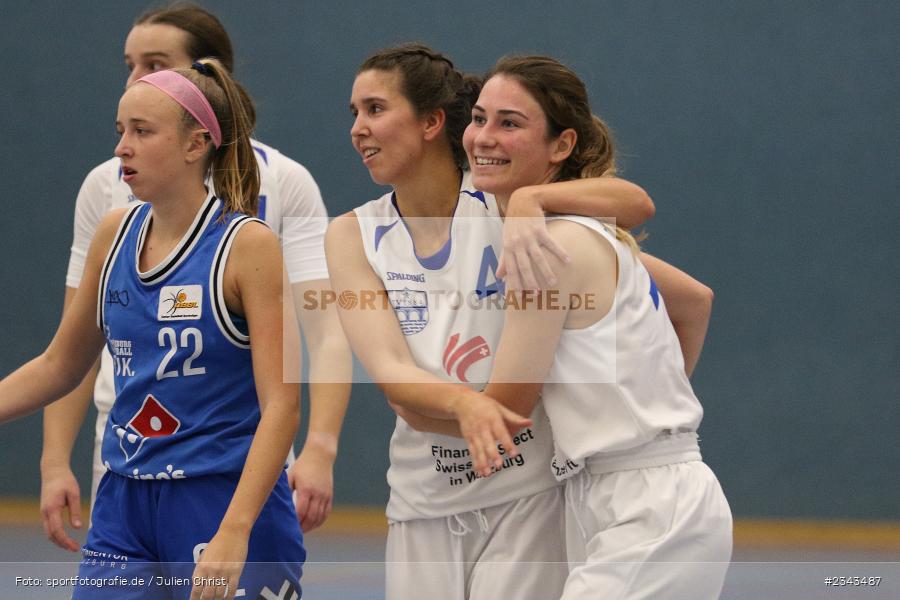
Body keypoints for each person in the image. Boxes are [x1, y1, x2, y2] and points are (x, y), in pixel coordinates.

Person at [327, 43, 714, 600]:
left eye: (375, 109)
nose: (359, 128)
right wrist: (466, 404)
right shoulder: (353, 234)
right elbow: (393, 378)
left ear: (432, 121)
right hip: (424, 495)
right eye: (354, 113)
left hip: (532, 496)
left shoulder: (508, 208)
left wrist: (648, 412)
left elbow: (674, 276)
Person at [40, 3, 351, 554]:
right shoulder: (110, 200)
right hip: (125, 450)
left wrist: (321, 446)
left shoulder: (275, 200)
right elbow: (68, 356)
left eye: (154, 64)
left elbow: (323, 332)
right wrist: (52, 457)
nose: (137, 77)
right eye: (130, 64)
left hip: (224, 457)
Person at [2, 59, 305, 599]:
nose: (123, 147)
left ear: (196, 144)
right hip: (124, 498)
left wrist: (234, 531)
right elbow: (59, 365)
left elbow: (282, 405)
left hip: (220, 495)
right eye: (121, 131)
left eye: (142, 131)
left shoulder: (246, 245)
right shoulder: (114, 232)